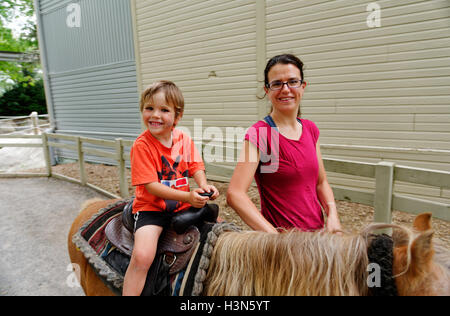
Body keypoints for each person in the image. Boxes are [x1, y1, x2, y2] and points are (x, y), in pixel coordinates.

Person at [123, 80, 219, 296]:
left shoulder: (183, 139)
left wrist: (204, 186)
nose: (155, 115)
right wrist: (188, 195)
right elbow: (151, 186)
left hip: (182, 206)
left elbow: (196, 166)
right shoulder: (142, 145)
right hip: (152, 209)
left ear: (177, 116)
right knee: (143, 256)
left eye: (163, 110)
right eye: (149, 108)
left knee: (218, 235)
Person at [227, 54, 341, 234]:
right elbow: (235, 194)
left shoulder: (310, 129)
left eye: (292, 81)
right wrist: (274, 237)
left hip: (317, 242)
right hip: (283, 248)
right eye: (277, 83)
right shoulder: (261, 133)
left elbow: (321, 182)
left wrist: (333, 214)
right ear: (267, 90)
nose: (285, 89)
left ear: (303, 86)